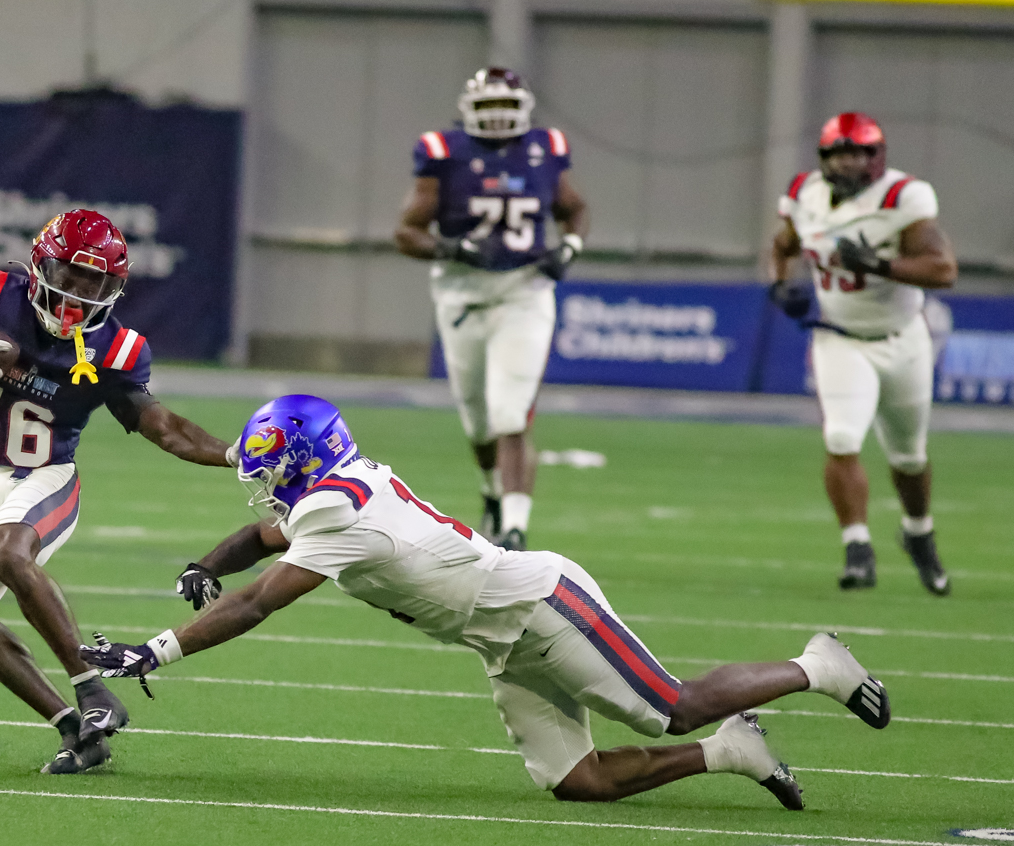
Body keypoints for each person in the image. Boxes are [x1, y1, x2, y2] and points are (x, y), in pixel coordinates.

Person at [83, 395, 894, 807]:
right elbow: (262, 538)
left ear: (307, 459)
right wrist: (204, 564)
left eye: (274, 467)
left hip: (541, 606)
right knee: (579, 782)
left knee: (672, 707)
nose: (265, 483)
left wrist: (156, 649)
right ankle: (732, 752)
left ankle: (817, 665)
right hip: (499, 637)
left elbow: (261, 601)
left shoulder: (339, 511)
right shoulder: (337, 489)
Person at [0, 209, 235, 774]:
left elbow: (164, 428)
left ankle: (91, 687)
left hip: (48, 475)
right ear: (42, 265)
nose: (80, 293)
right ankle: (75, 731)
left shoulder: (114, 347)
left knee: (5, 549)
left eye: (96, 282)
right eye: (72, 275)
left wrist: (237, 454)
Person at [393, 68, 589, 551]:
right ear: (468, 111)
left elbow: (574, 209)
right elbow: (407, 232)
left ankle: (516, 529)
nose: (498, 117)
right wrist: (453, 248)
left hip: (524, 292)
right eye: (487, 107)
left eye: (506, 107)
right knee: (478, 422)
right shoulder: (443, 152)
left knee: (511, 413)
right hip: (461, 297)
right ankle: (492, 492)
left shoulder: (545, 148)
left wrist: (569, 247)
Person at [767, 113, 957, 595]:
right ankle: (857, 548)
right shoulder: (805, 194)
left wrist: (877, 263)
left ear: (877, 157)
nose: (848, 164)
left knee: (909, 456)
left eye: (858, 154)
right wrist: (780, 286)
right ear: (824, 159)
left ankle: (918, 532)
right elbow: (783, 244)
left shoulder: (903, 197)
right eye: (839, 155)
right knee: (842, 435)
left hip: (902, 337)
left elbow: (943, 270)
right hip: (839, 336)